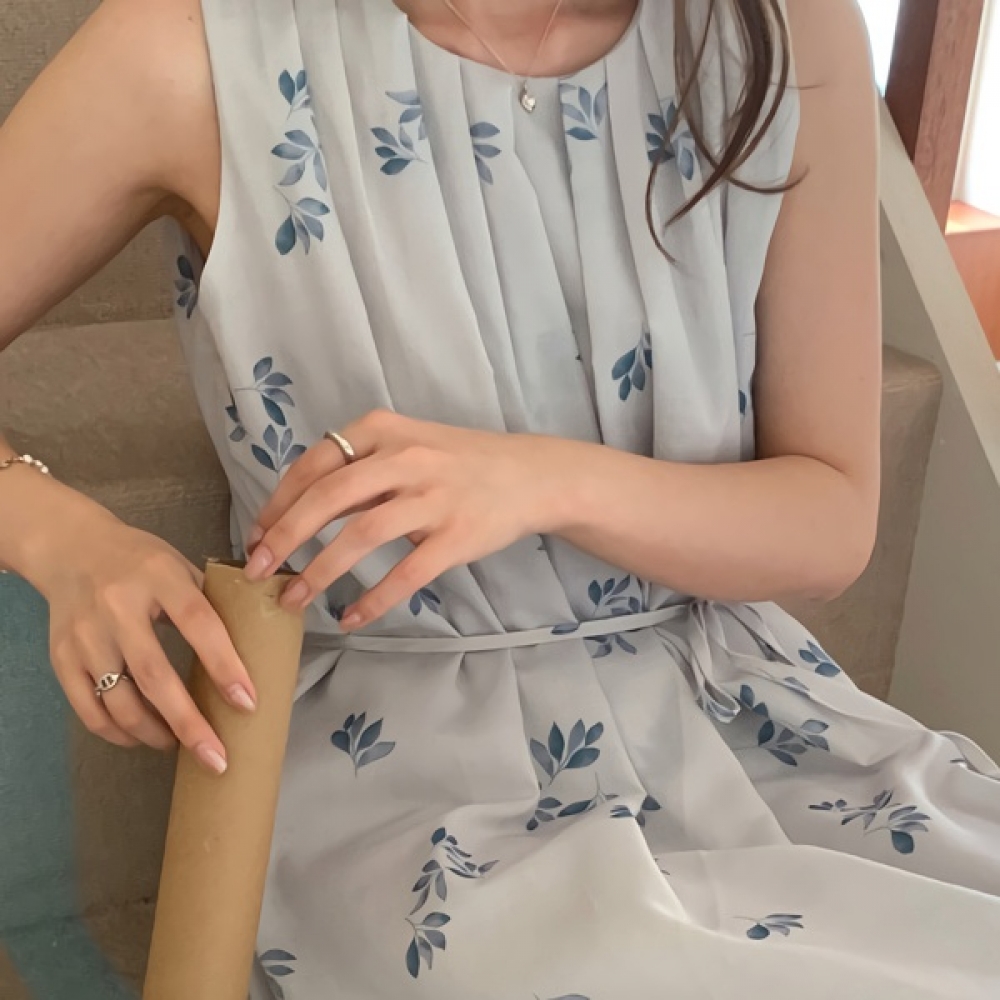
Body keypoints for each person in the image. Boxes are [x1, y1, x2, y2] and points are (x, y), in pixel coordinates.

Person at [2, 0, 999, 996]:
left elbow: (830, 518)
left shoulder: (779, 33)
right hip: (407, 781)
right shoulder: (190, 51)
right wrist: (60, 534)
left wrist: (543, 479)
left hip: (738, 717)